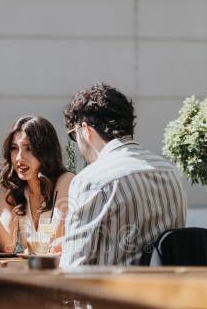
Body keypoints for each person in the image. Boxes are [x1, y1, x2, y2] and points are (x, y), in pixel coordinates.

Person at [61, 83, 187, 267]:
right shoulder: (170, 171)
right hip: (166, 293)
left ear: (86, 130)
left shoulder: (91, 180)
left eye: (74, 136)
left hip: (111, 294)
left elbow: (73, 267)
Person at [0, 116, 74, 253]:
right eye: (14, 148)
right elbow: (5, 247)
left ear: (45, 152)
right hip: (29, 271)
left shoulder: (66, 181)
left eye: (29, 149)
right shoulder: (12, 189)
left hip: (61, 272)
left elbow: (56, 244)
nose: (19, 158)